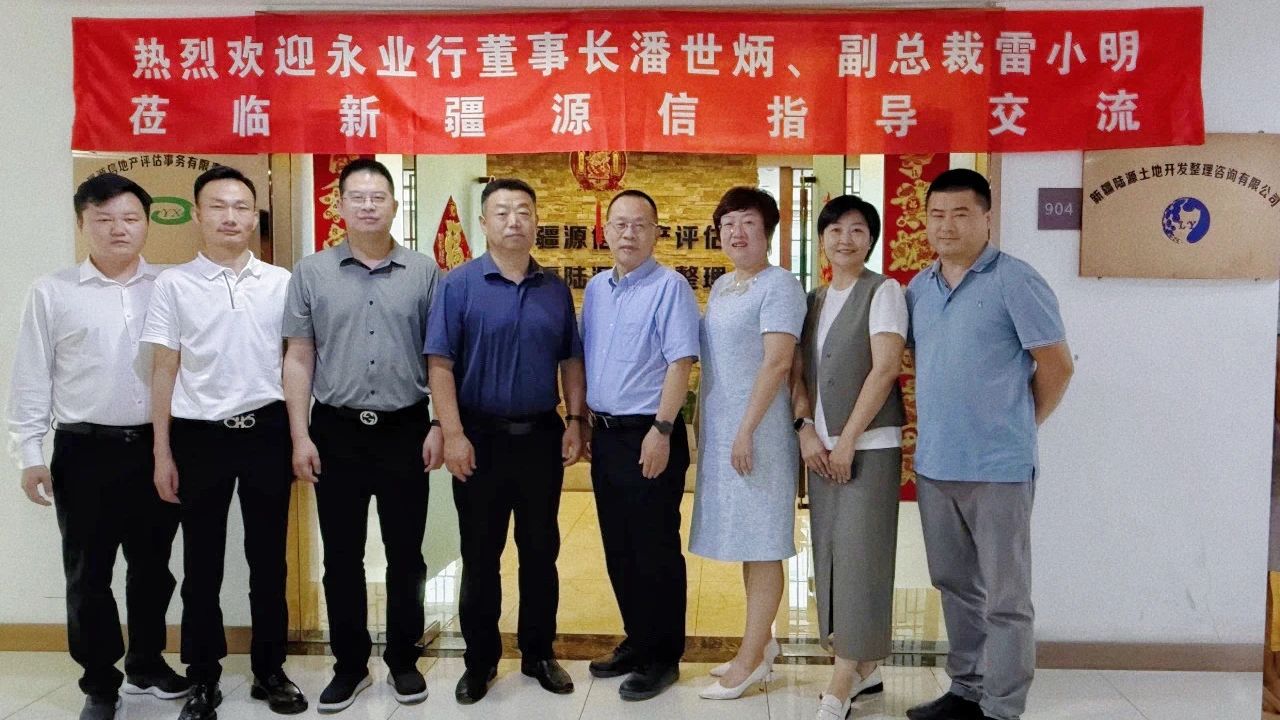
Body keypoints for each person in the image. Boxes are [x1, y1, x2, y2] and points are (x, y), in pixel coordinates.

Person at [7, 174, 189, 720]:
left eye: (130, 218)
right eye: (104, 219)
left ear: (147, 223)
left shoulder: (171, 286)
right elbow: (31, 377)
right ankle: (99, 682)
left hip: (157, 447)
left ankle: (147, 662)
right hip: (83, 450)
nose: (118, 229)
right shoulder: (53, 291)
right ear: (82, 223)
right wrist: (29, 454)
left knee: (153, 568)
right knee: (88, 574)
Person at [904, 169, 1073, 720]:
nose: (946, 226)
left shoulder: (1015, 280)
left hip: (999, 469)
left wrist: (1018, 424)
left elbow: (1057, 366)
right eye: (937, 215)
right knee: (955, 585)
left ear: (986, 218)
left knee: (1005, 597)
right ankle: (967, 689)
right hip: (936, 465)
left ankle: (1002, 707)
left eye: (961, 214)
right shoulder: (919, 288)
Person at [143, 166, 306, 720]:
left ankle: (269, 670)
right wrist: (162, 451)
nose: (230, 217)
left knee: (269, 562)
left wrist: (298, 437)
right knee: (202, 565)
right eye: (217, 206)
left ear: (255, 215)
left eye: (241, 207)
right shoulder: (173, 284)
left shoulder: (281, 282)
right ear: (197, 214)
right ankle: (203, 676)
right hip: (199, 437)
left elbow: (295, 364)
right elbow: (163, 370)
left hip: (266, 432)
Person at [282, 158, 442, 712]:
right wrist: (300, 436)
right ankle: (349, 665)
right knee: (342, 558)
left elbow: (439, 357)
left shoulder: (424, 272)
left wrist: (439, 423)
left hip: (406, 429)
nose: (369, 205)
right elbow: (299, 356)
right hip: (336, 431)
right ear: (341, 204)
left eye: (378, 197)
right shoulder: (311, 273)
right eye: (357, 196)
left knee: (407, 555)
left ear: (394, 205)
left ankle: (403, 659)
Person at [425, 178, 586, 704]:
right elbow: (440, 364)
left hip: (540, 437)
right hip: (479, 439)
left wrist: (575, 419)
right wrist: (452, 433)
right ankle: (480, 661)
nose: (513, 220)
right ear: (484, 223)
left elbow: (570, 359)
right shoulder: (458, 285)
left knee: (540, 553)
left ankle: (539, 653)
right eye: (501, 212)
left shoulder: (554, 289)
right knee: (480, 555)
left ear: (536, 220)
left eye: (522, 211)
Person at [580, 190, 700, 701]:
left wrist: (663, 429)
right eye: (620, 224)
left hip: (650, 433)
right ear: (605, 231)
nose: (629, 233)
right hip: (606, 436)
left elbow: (680, 362)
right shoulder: (597, 289)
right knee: (619, 547)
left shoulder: (670, 287)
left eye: (640, 224)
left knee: (655, 549)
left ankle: (663, 657)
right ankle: (637, 639)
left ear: (655, 232)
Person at [790, 195, 906, 719]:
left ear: (871, 239)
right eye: (835, 229)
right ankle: (864, 667)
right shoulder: (813, 299)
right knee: (832, 555)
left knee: (862, 557)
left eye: (857, 229)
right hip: (822, 447)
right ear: (821, 240)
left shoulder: (883, 292)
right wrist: (805, 430)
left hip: (868, 447)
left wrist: (848, 439)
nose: (845, 239)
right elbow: (798, 374)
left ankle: (842, 678)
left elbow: (885, 370)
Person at [690, 186, 806, 701]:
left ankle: (750, 661)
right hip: (727, 434)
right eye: (728, 224)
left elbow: (778, 363)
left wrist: (745, 429)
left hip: (759, 436)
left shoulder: (780, 285)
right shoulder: (723, 286)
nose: (736, 233)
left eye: (748, 223)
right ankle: (761, 644)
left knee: (762, 544)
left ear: (768, 232)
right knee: (746, 542)